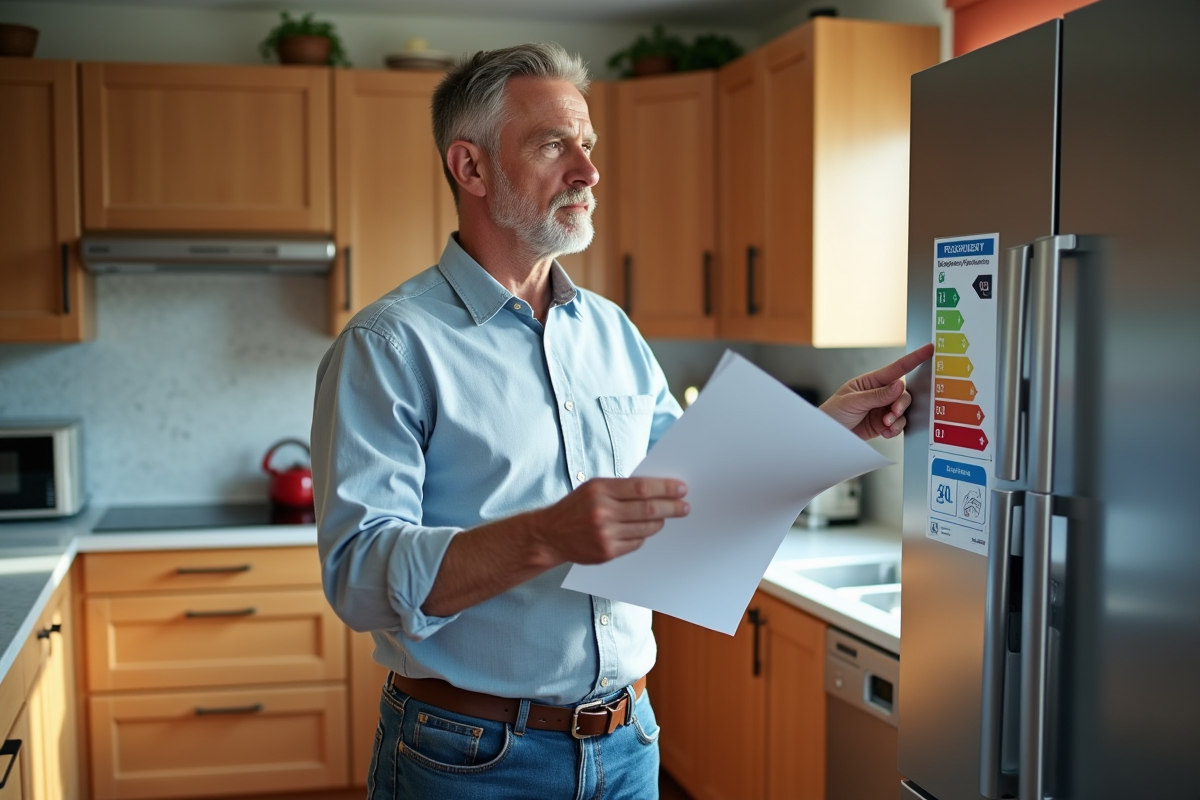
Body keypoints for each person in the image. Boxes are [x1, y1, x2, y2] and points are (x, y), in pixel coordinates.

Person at [310, 42, 933, 799]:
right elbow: (359, 580)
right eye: (554, 146)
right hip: (467, 760)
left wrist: (825, 430)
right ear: (470, 168)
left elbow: (688, 502)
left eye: (589, 144)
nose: (589, 171)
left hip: (628, 745)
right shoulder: (389, 346)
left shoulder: (611, 331)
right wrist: (546, 536)